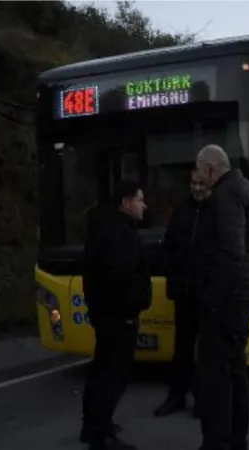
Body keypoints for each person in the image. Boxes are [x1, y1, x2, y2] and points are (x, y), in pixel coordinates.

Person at [193, 145, 249, 450]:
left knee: (216, 376)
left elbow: (232, 252)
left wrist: (212, 296)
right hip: (245, 294)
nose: (198, 176)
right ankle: (237, 440)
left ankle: (218, 442)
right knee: (235, 370)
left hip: (229, 299)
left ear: (211, 168)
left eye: (199, 170)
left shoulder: (226, 195)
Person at [80, 180, 152, 450]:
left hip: (103, 313)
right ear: (125, 203)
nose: (144, 206)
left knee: (101, 370)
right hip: (118, 316)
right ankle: (102, 434)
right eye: (140, 199)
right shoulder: (121, 234)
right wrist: (133, 307)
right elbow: (121, 279)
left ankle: (93, 425)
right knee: (114, 375)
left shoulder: (102, 227)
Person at [153, 169, 210, 418]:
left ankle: (202, 399)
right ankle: (176, 396)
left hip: (207, 292)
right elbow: (169, 245)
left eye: (201, 184)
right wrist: (171, 276)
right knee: (182, 347)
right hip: (183, 291)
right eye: (193, 183)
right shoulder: (182, 210)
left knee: (205, 350)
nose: (197, 188)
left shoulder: (216, 211)